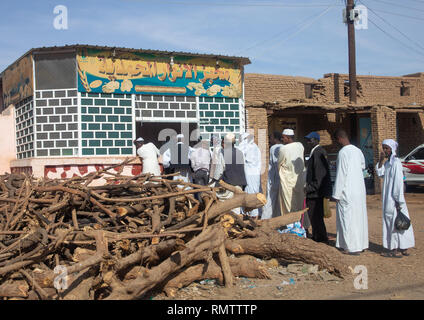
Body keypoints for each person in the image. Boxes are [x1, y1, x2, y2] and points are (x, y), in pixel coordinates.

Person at [376, 139, 415, 258]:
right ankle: (402, 247)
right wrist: (381, 160)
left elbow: (398, 184)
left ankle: (395, 250)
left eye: (387, 148)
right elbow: (380, 173)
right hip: (391, 199)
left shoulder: (396, 163)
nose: (385, 150)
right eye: (383, 148)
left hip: (394, 200)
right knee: (398, 222)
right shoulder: (388, 163)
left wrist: (398, 201)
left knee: (395, 223)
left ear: (392, 149)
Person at [332, 129, 368, 255]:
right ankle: (361, 244)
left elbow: (341, 174)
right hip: (359, 189)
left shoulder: (343, 153)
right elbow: (363, 166)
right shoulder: (358, 151)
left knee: (346, 219)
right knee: (359, 218)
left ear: (339, 139)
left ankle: (349, 246)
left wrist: (336, 194)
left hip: (347, 191)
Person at [304, 132, 333, 243]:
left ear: (316, 140)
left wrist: (310, 188)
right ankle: (318, 237)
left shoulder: (317, 153)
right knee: (315, 216)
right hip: (316, 191)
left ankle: (321, 239)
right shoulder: (315, 152)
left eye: (310, 140)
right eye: (307, 140)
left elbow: (319, 175)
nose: (308, 142)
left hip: (315, 192)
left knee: (315, 216)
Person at [214, 133, 247, 214]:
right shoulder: (240, 152)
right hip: (239, 185)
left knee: (225, 208)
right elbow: (244, 168)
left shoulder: (223, 154)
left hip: (228, 186)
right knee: (236, 208)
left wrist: (214, 181)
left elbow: (218, 172)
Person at [278, 129, 306, 216]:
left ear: (288, 137)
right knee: (300, 203)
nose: (282, 139)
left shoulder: (283, 149)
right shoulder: (300, 146)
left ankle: (291, 224)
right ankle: (301, 225)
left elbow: (279, 163)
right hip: (300, 179)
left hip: (287, 180)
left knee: (288, 203)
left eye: (283, 137)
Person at [238, 132, 262, 218]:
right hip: (256, 173)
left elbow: (239, 158)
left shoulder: (245, 146)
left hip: (248, 173)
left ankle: (250, 214)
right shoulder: (256, 147)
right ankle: (256, 214)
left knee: (249, 192)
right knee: (255, 192)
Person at [262, 131, 284, 219]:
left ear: (275, 139)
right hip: (282, 178)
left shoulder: (273, 148)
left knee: (270, 201)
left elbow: (273, 164)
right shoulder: (284, 147)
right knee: (280, 202)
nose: (269, 140)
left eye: (271, 138)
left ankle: (265, 220)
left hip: (274, 179)